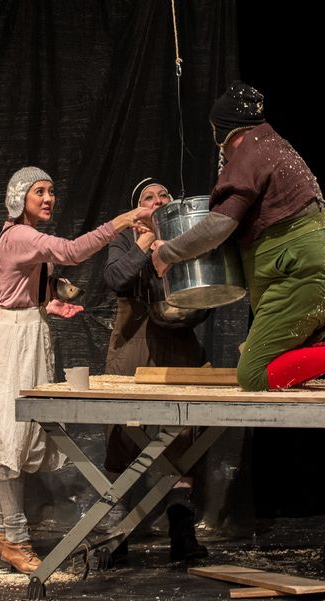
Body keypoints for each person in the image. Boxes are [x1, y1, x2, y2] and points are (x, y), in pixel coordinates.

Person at [152, 81, 325, 392]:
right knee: (286, 364)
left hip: (297, 279)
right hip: (323, 280)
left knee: (253, 375)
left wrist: (166, 253)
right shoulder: (278, 147)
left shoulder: (249, 154)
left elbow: (218, 226)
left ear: (225, 133)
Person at [0, 166, 153, 574]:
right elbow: (72, 251)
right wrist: (121, 221)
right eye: (38, 191)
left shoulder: (24, 237)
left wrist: (48, 302)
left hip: (27, 331)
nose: (48, 198)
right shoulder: (19, 235)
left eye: (51, 191)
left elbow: (19, 287)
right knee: (10, 438)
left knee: (15, 436)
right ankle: (16, 540)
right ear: (19, 198)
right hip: (13, 341)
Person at [102, 178, 209, 562]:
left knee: (182, 433)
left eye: (164, 195)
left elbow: (206, 294)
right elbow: (115, 278)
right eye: (148, 197)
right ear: (137, 208)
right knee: (123, 431)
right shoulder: (125, 238)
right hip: (134, 339)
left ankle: (181, 531)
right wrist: (145, 242)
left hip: (178, 343)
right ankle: (115, 536)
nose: (158, 200)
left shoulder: (185, 236)